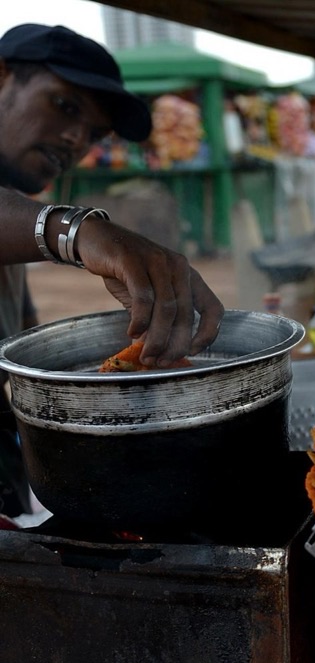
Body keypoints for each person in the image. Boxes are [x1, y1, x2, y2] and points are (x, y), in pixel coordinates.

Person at [0, 23, 225, 515]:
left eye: (95, 133)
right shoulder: (27, 219)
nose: (76, 139)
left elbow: (21, 345)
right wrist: (77, 230)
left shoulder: (12, 210)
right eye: (65, 106)